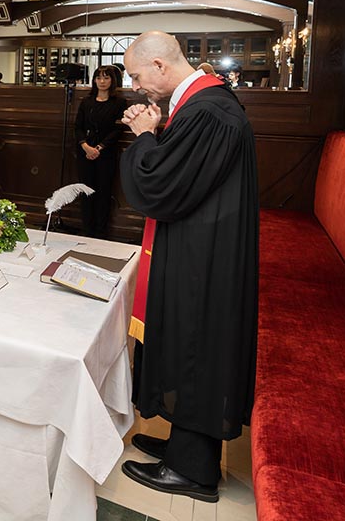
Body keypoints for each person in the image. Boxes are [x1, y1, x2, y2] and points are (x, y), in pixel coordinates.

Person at [117, 31, 258, 503]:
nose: (136, 86)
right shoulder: (204, 103)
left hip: (205, 254)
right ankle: (185, 445)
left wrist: (143, 137)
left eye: (137, 75)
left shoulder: (208, 111)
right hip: (205, 241)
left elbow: (161, 185)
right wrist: (156, 134)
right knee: (189, 339)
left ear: (159, 65)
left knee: (197, 343)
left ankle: (192, 470)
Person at [74, 65, 129, 239]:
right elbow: (78, 127)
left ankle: (100, 231)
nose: (102, 81)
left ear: (113, 80)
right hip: (85, 152)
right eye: (99, 78)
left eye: (106, 78)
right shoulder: (86, 102)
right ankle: (87, 229)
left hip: (106, 154)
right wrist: (85, 146)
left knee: (103, 192)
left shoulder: (119, 102)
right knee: (86, 191)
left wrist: (99, 148)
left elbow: (117, 129)